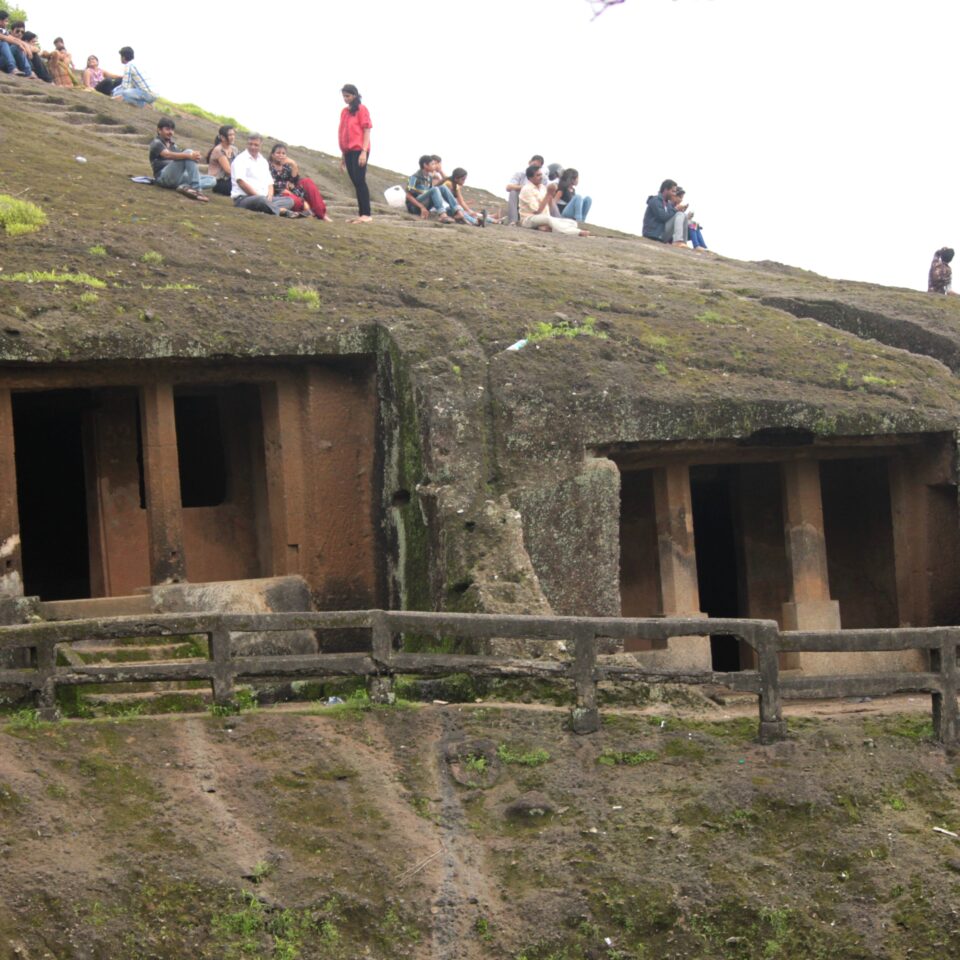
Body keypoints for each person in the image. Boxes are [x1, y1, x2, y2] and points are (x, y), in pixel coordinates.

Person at [231, 133, 296, 216]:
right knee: (261, 200)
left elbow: (269, 182)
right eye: (250, 144)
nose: (253, 147)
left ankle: (268, 208)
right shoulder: (240, 159)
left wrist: (270, 196)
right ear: (247, 144)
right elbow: (241, 182)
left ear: (261, 146)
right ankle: (280, 211)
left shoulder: (263, 161)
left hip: (264, 198)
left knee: (289, 201)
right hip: (244, 198)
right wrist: (258, 196)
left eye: (256, 145)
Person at [149, 118, 210, 202]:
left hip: (177, 178)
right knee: (188, 153)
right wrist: (190, 155)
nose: (170, 132)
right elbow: (167, 155)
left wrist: (195, 157)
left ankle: (184, 187)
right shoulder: (156, 143)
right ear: (159, 130)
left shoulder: (174, 146)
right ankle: (196, 189)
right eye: (167, 129)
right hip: (163, 177)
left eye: (172, 130)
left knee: (211, 180)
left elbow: (184, 158)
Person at [268, 143, 331, 221]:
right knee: (291, 196)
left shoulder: (286, 167)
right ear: (272, 155)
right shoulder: (268, 166)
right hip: (279, 194)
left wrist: (293, 164)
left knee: (307, 182)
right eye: (278, 153)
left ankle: (321, 213)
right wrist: (287, 186)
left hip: (292, 190)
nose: (281, 155)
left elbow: (294, 180)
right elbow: (274, 185)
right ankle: (305, 210)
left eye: (283, 153)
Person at [518, 166, 588, 236]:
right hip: (529, 219)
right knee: (548, 219)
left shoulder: (542, 187)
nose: (541, 177)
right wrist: (548, 194)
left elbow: (549, 205)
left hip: (543, 217)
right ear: (530, 178)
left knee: (572, 223)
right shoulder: (527, 189)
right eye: (538, 175)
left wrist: (551, 195)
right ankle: (577, 232)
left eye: (541, 174)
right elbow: (537, 212)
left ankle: (545, 227)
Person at [338, 83, 372, 223]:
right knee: (355, 182)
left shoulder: (362, 109)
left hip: (359, 149)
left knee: (360, 180)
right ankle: (361, 214)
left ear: (355, 95)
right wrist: (343, 156)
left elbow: (367, 130)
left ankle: (366, 214)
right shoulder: (344, 112)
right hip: (348, 151)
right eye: (344, 96)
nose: (346, 99)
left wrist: (364, 151)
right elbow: (344, 133)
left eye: (348, 96)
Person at [405, 155, 465, 223]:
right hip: (414, 207)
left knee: (443, 187)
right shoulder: (414, 177)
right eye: (432, 164)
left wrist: (444, 179)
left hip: (425, 204)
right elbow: (408, 196)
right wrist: (422, 207)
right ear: (425, 165)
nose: (434, 166)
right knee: (435, 189)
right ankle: (443, 215)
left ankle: (458, 211)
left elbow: (430, 192)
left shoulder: (429, 177)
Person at [642, 179, 689, 247]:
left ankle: (682, 243)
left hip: (662, 234)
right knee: (679, 214)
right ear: (665, 190)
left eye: (675, 192)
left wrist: (678, 210)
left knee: (683, 215)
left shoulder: (668, 204)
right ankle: (677, 241)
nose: (674, 194)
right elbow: (663, 217)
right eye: (673, 191)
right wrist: (676, 209)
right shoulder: (655, 200)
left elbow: (670, 216)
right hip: (653, 234)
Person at [506, 155, 544, 225]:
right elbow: (508, 187)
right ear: (529, 162)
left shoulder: (541, 177)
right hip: (520, 200)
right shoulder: (520, 174)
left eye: (537, 167)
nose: (534, 168)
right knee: (513, 192)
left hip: (533, 202)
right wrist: (526, 187)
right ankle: (513, 221)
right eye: (534, 165)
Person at [206, 125, 238, 196]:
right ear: (222, 137)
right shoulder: (219, 150)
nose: (233, 137)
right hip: (217, 182)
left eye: (233, 134)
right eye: (230, 135)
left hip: (229, 180)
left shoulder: (234, 149)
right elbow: (228, 171)